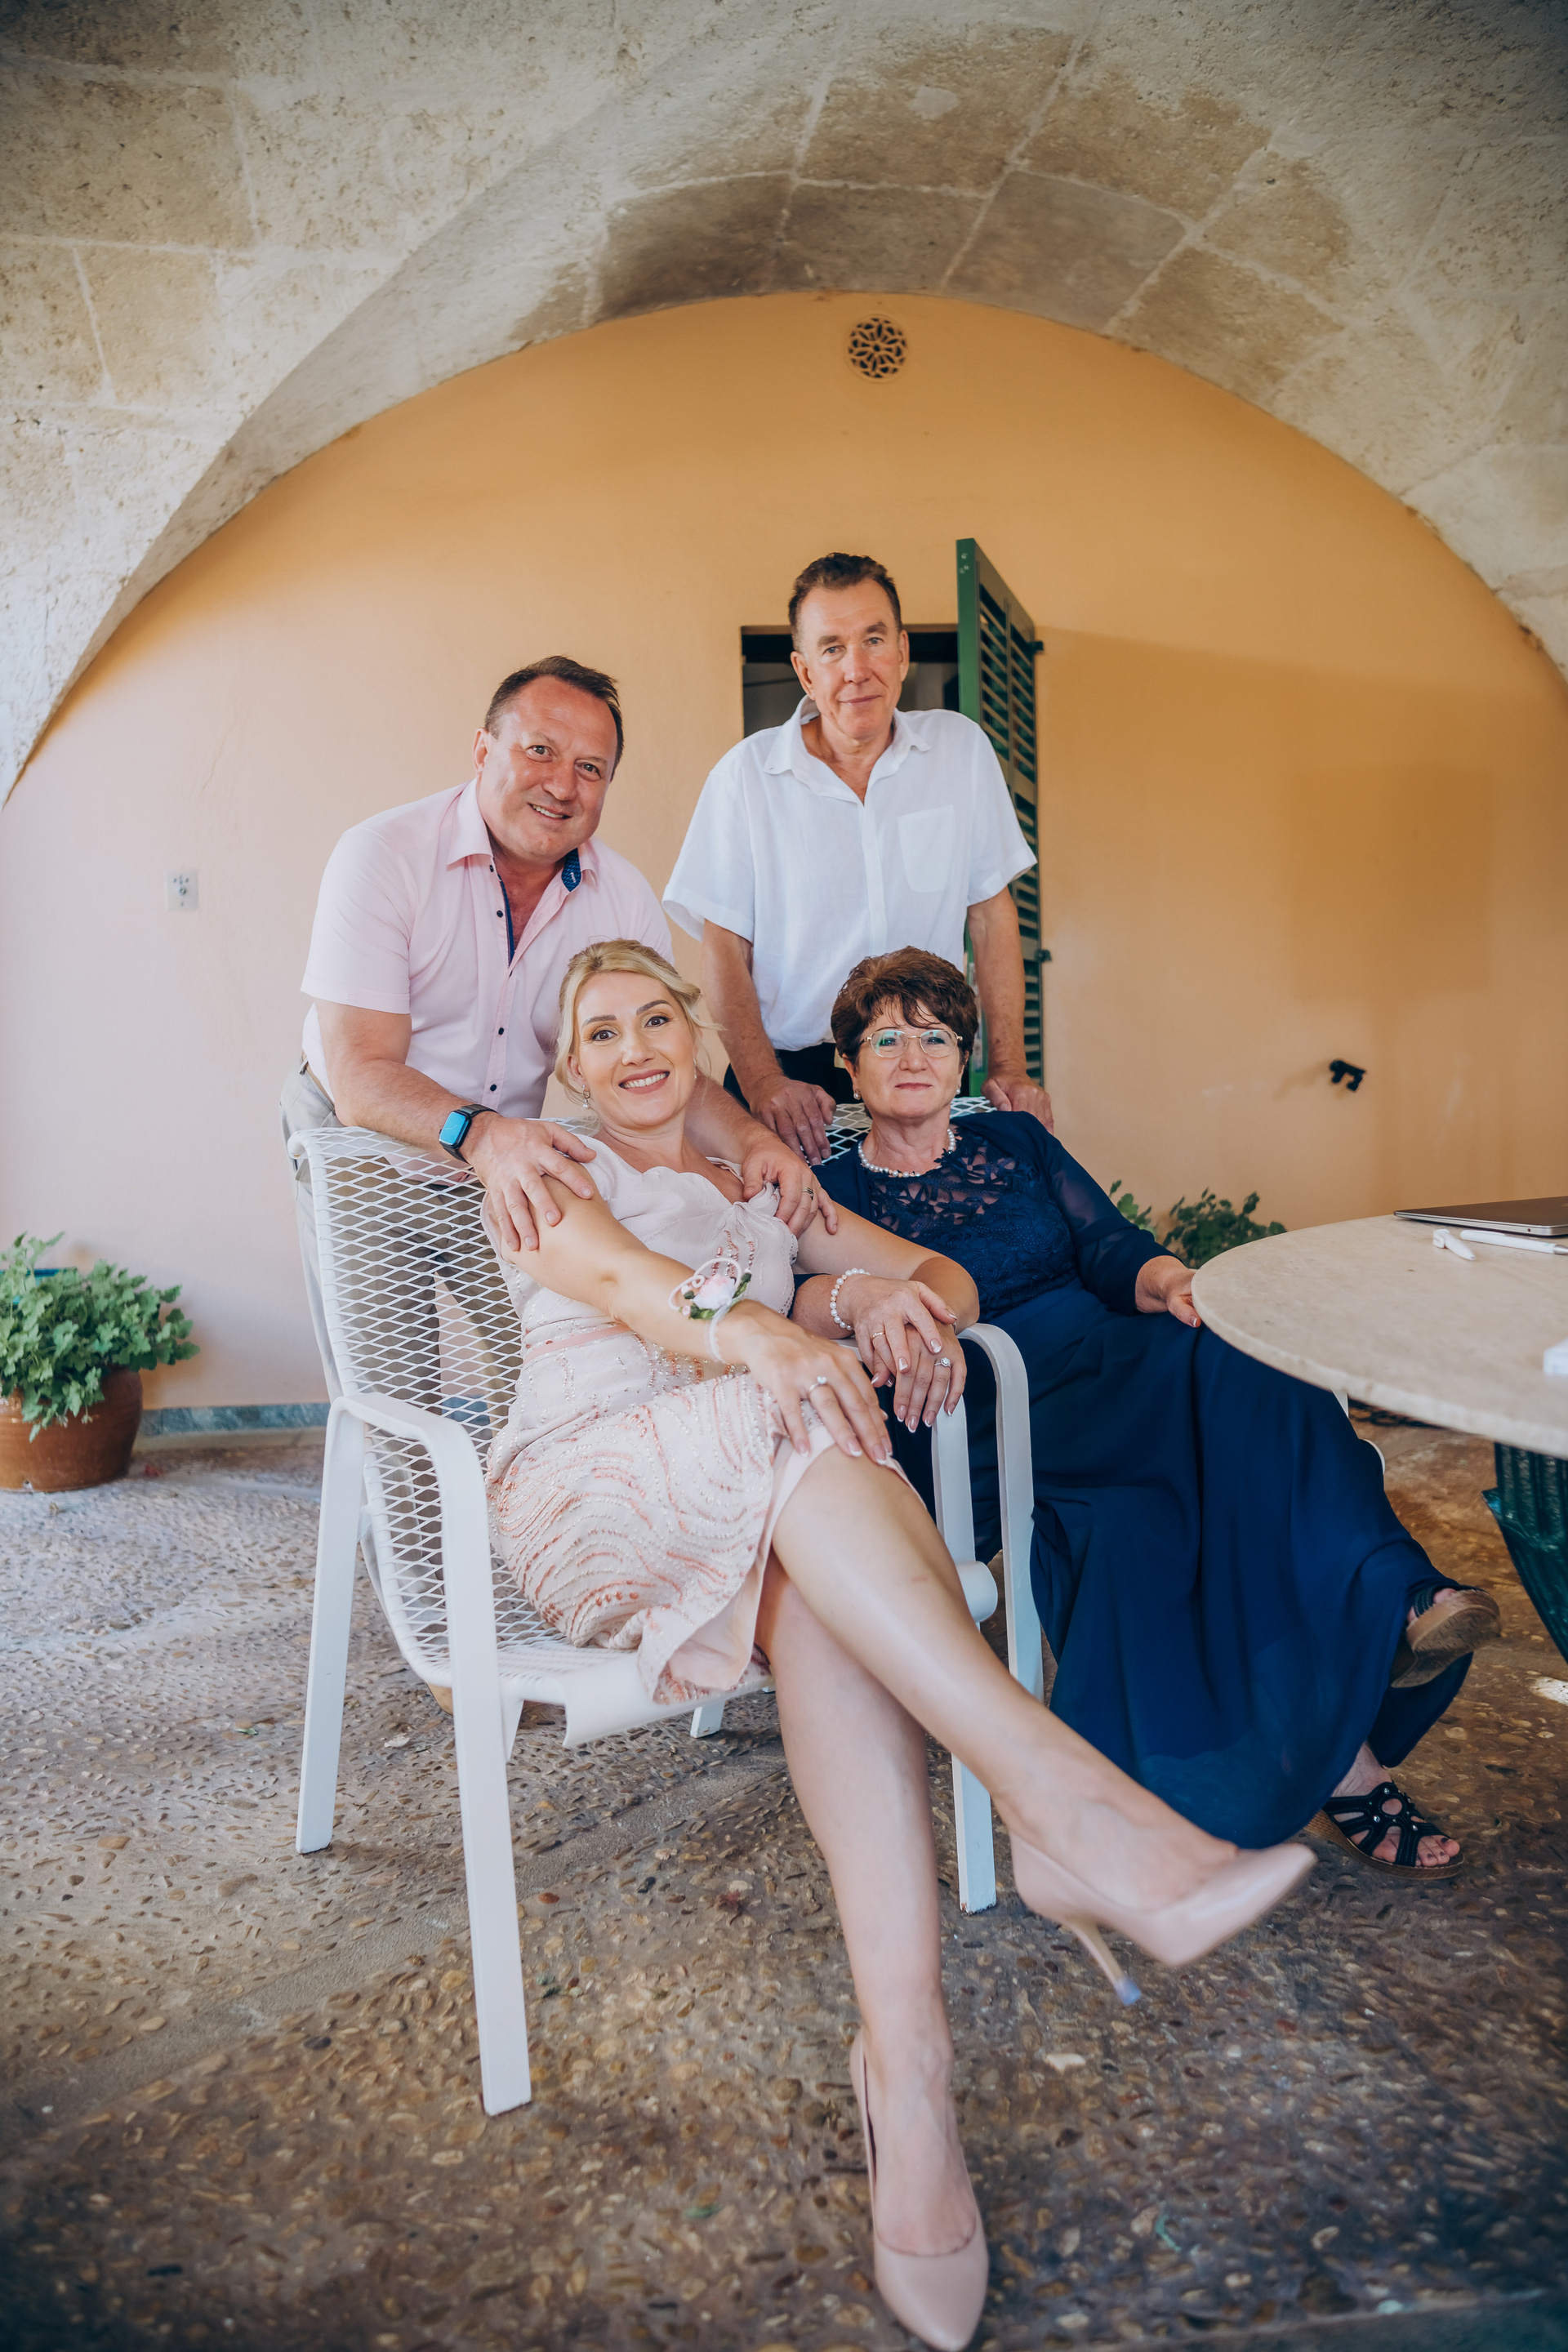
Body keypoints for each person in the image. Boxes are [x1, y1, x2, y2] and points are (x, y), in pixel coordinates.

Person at [479, 936, 1312, 2352]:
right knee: (814, 1418)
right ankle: (1060, 1806)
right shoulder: (553, 1171)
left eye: (655, 1019)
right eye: (599, 1030)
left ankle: (910, 2082)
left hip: (754, 1475)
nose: (631, 1049)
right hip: (592, 1485)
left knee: (822, 1580)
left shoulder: (761, 1187)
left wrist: (866, 1299)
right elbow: (629, 1290)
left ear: (701, 1042)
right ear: (571, 1065)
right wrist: (774, 1334)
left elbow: (939, 1273)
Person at [804, 948, 1501, 1879]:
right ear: (847, 1065)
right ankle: (1353, 1752)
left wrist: (1171, 1280)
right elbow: (822, 1309)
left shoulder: (1016, 1143)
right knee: (1178, 1505)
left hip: (1109, 1352)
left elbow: (1108, 1246)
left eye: (936, 1038)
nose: (913, 1057)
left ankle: (1399, 1599)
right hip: (997, 1405)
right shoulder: (833, 1192)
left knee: (1258, 1373)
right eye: (886, 1039)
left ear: (964, 1057)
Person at [283, 655, 825, 1395]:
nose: (563, 785)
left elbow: (663, 1068)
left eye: (590, 768)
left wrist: (754, 1142)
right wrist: (484, 1138)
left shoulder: (622, 897)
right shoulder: (382, 855)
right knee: (395, 1397)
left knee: (549, 1373)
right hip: (367, 1139)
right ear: (483, 750)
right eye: (539, 750)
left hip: (511, 1146)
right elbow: (361, 1076)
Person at [663, 551, 1052, 1167]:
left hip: (923, 1067)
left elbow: (991, 917)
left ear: (902, 650)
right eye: (832, 648)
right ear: (803, 670)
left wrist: (1008, 1065)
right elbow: (723, 948)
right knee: (794, 1228)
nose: (857, 669)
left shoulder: (960, 751)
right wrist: (763, 1082)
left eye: (873, 639)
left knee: (935, 1224)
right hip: (794, 1084)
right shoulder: (745, 777)